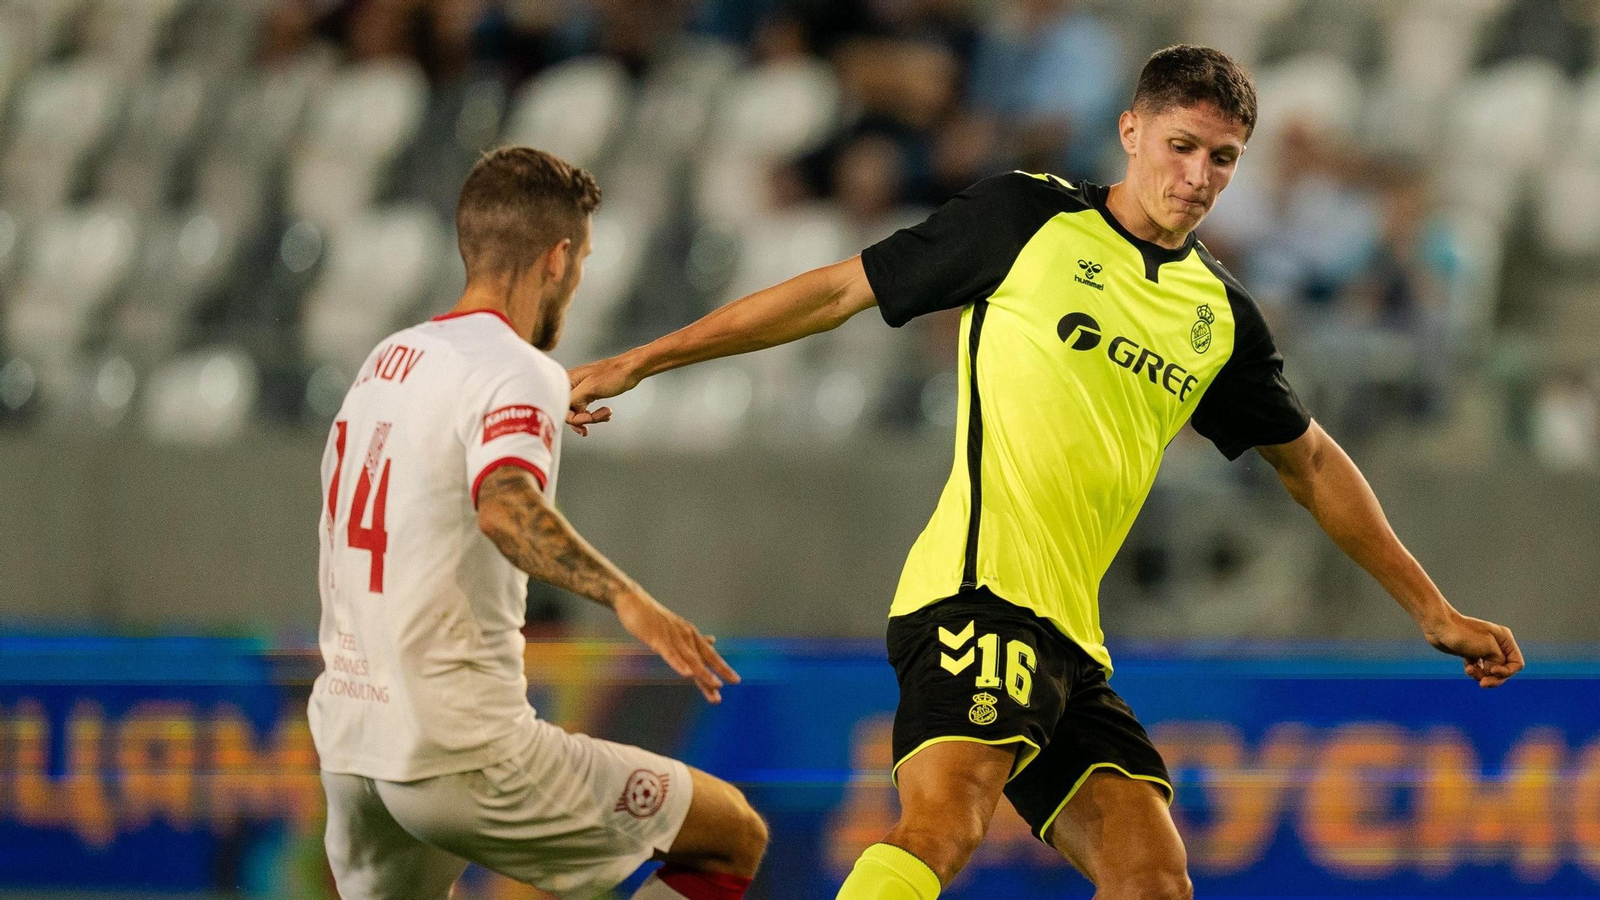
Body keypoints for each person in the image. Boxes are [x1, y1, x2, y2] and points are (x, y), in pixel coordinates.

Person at [566, 46, 1526, 900]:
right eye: (1180, 146)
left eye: (1222, 159)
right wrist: (643, 359)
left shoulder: (1219, 317)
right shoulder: (1028, 219)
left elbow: (1311, 463)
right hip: (975, 595)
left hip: (1073, 640)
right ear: (1132, 130)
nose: (1197, 178)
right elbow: (834, 292)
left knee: (1153, 879)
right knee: (943, 827)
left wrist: (1432, 609)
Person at [309, 147, 767, 900]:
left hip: (355, 747)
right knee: (730, 835)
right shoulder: (515, 367)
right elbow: (503, 506)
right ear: (557, 258)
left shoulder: (390, 360)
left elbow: (429, 467)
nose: (577, 281)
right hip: (461, 750)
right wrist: (630, 600)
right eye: (581, 262)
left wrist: (535, 406)